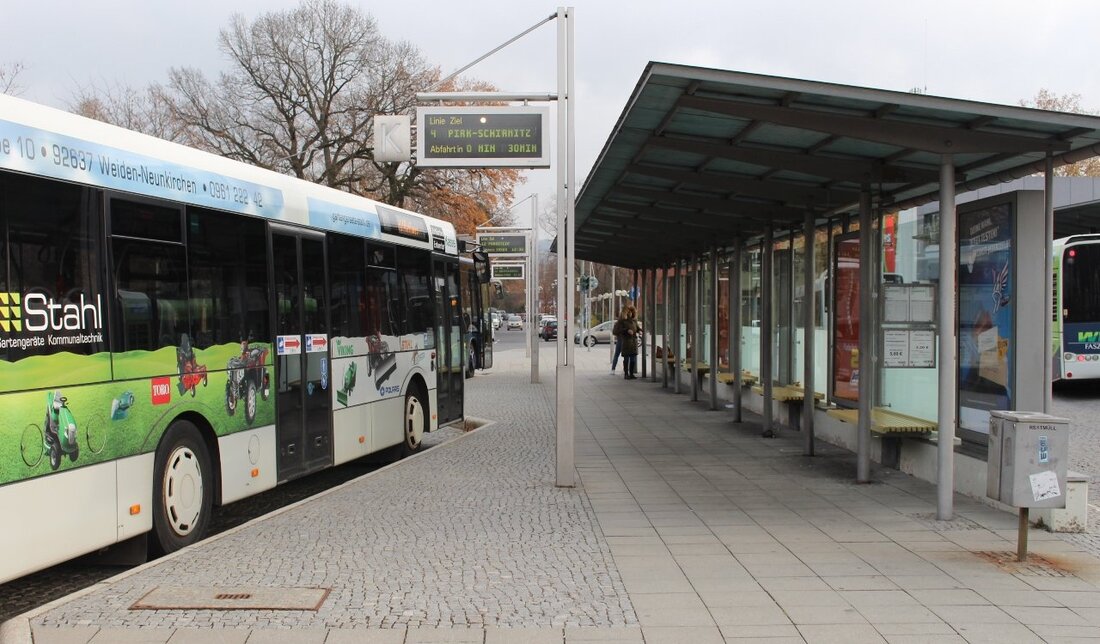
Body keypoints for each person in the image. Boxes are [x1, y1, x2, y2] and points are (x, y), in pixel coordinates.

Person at [619, 305, 640, 379]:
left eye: (631, 312)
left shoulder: (634, 321)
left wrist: (640, 331)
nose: (630, 313)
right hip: (626, 342)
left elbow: (637, 328)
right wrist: (627, 330)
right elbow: (620, 330)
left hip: (633, 342)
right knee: (626, 359)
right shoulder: (623, 321)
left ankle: (631, 373)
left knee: (633, 359)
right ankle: (626, 374)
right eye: (628, 312)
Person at [610, 311, 623, 375]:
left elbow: (614, 332)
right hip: (622, 340)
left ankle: (613, 369)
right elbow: (614, 332)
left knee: (616, 355)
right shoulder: (624, 323)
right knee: (625, 356)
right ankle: (625, 369)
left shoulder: (617, 323)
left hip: (619, 340)